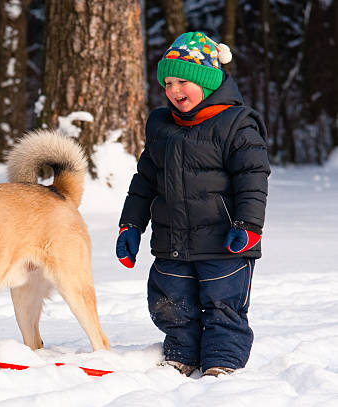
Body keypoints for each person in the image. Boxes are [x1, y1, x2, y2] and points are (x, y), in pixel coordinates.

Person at [115, 32, 270, 377]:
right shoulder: (161, 126)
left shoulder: (236, 124)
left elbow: (253, 179)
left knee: (223, 304)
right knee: (171, 303)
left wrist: (249, 227)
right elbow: (144, 181)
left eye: (182, 80)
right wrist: (131, 226)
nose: (173, 90)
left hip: (223, 242)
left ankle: (222, 361)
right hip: (171, 242)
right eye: (167, 82)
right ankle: (182, 354)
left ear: (208, 81)